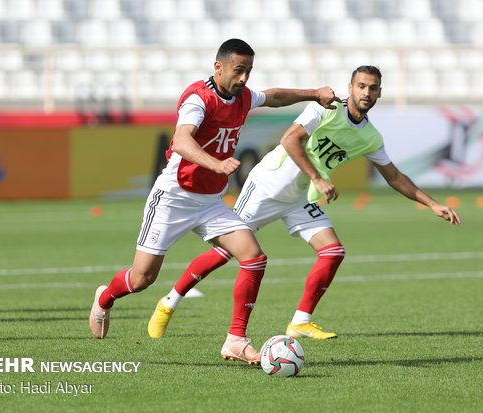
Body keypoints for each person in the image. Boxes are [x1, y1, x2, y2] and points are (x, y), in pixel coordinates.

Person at [147, 65, 462, 341]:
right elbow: (289, 139)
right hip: (266, 187)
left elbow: (394, 176)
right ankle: (170, 300)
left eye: (373, 88)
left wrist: (431, 203)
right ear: (350, 87)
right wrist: (317, 178)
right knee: (226, 251)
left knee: (333, 251)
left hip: (298, 197)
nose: (366, 92)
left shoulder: (370, 137)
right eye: (361, 86)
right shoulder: (325, 109)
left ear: (379, 92)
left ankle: (300, 322)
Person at [88, 38, 339, 365]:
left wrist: (314, 94)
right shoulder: (198, 98)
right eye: (238, 71)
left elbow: (274, 97)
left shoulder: (244, 96)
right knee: (141, 279)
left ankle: (236, 340)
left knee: (253, 256)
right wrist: (216, 163)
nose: (244, 78)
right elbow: (180, 140)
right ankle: (104, 298)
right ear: (218, 67)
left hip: (209, 201)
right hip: (174, 197)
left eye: (248, 71)